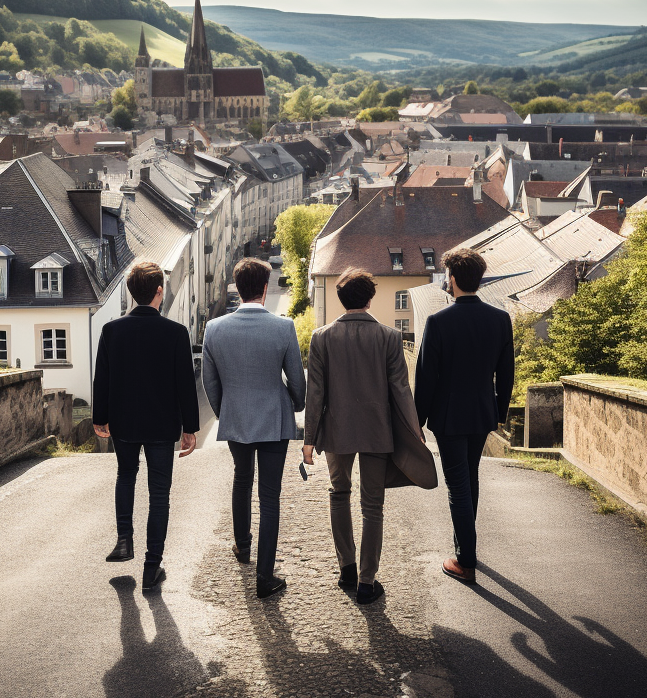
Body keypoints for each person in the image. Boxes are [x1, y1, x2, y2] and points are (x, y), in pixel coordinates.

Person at [303, 267, 428, 606]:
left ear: (341, 300)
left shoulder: (321, 337)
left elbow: (315, 393)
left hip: (336, 429)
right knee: (373, 506)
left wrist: (308, 439)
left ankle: (346, 566)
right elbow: (401, 390)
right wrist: (415, 430)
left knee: (338, 493)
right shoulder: (389, 337)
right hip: (377, 428)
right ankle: (367, 581)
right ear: (370, 299)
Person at [92, 260, 200, 591]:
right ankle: (152, 566)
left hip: (124, 421)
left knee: (125, 477)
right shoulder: (176, 333)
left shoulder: (112, 330)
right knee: (159, 494)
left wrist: (100, 417)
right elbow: (185, 384)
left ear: (131, 292)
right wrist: (190, 428)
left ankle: (124, 540)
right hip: (161, 423)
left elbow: (103, 378)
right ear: (158, 291)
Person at [202, 257, 306, 599]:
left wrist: (225, 412)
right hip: (275, 419)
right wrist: (294, 403)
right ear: (265, 288)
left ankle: (242, 546)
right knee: (270, 496)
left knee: (241, 478)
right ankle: (265, 576)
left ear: (236, 287)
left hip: (237, 418)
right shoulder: (284, 327)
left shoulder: (214, 329)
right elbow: (297, 381)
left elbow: (210, 382)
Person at [413, 247, 514, 584]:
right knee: (470, 477)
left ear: (452, 279)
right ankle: (466, 547)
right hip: (483, 412)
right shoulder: (500, 320)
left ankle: (465, 560)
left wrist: (418, 420)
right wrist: (499, 411)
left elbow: (426, 376)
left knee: (458, 485)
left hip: (448, 416)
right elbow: (506, 373)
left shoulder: (439, 322)